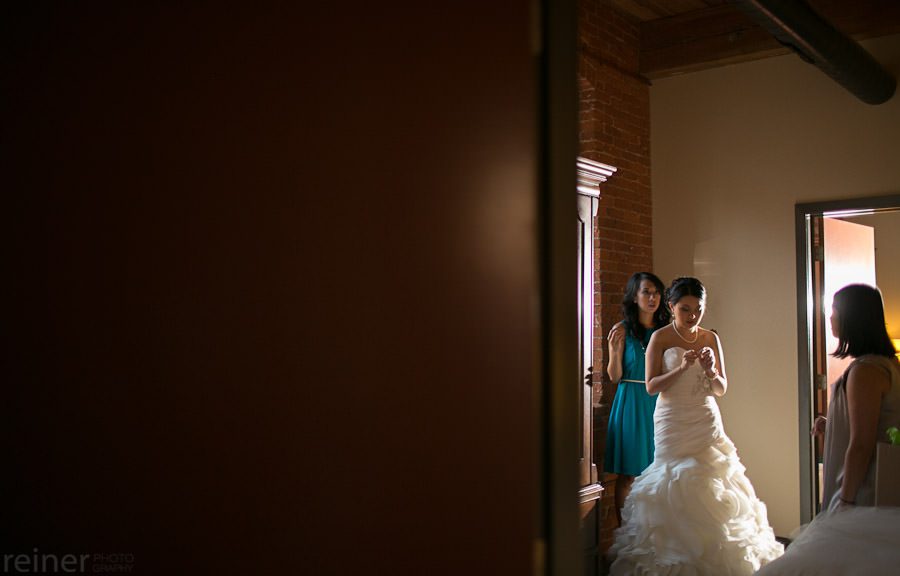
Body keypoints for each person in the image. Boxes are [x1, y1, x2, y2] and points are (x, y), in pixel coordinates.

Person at [608, 277, 783, 575]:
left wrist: (711, 370)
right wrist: (681, 368)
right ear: (672, 306)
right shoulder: (660, 338)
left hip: (705, 419)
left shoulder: (710, 338)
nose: (692, 316)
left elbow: (721, 388)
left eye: (698, 309)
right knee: (672, 482)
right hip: (671, 419)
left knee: (711, 480)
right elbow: (651, 386)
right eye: (685, 309)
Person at [813, 283, 900, 511]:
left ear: (851, 318)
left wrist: (845, 501)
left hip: (865, 492)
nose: (830, 317)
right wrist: (832, 423)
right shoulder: (888, 363)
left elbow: (862, 443)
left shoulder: (866, 371)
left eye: (833, 310)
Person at [604, 271, 669, 527]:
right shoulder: (621, 330)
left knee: (661, 471)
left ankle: (654, 531)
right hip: (630, 400)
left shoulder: (665, 331)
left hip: (659, 401)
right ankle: (624, 534)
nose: (652, 298)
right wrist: (614, 350)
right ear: (634, 296)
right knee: (628, 474)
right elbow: (614, 376)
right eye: (646, 292)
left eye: (656, 293)